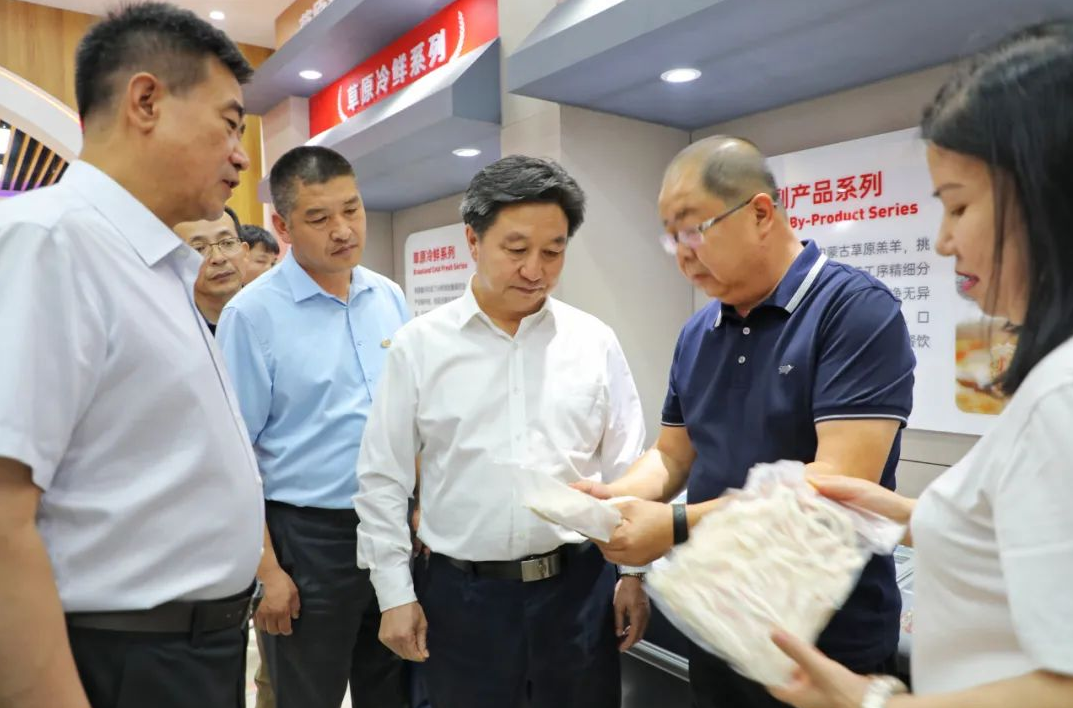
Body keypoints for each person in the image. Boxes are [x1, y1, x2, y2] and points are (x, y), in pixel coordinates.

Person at [766, 20, 1073, 708]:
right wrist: (897, 514)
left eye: (958, 206)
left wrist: (871, 702)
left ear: (1044, 194)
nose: (943, 241)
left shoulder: (1061, 396)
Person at [576, 136, 915, 708]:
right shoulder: (698, 332)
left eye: (693, 229)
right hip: (720, 623)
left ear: (760, 213)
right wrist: (615, 499)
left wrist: (676, 525)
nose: (682, 254)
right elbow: (672, 455)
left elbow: (838, 486)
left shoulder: (855, 310)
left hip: (827, 640)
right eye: (670, 236)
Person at [0, 3, 263, 708]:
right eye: (229, 123)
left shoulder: (153, 263)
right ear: (145, 101)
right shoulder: (50, 241)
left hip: (191, 653)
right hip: (120, 659)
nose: (241, 155)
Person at [353, 155, 651, 708]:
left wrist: (633, 572)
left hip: (577, 595)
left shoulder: (593, 341)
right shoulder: (421, 346)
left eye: (553, 251)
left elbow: (627, 462)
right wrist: (393, 594)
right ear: (473, 239)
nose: (535, 270)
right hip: (462, 600)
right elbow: (382, 479)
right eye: (516, 249)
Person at [216, 145, 408, 708]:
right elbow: (232, 458)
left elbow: (410, 417)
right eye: (320, 218)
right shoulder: (252, 315)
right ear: (283, 227)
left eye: (352, 209)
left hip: (391, 528)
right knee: (306, 695)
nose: (343, 230)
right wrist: (266, 570)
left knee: (395, 689)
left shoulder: (388, 297)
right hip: (307, 541)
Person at [174, 206, 248, 333]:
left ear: (245, 252)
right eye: (199, 248)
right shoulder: (172, 330)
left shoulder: (274, 311)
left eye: (227, 243)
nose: (218, 258)